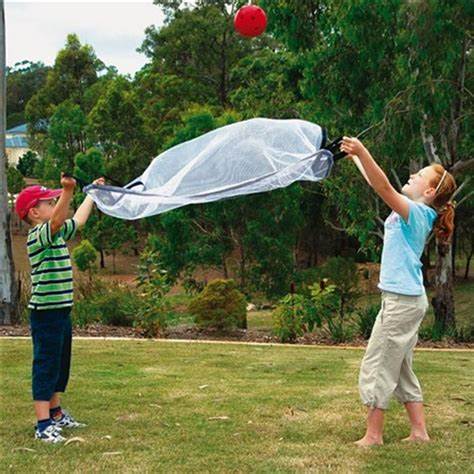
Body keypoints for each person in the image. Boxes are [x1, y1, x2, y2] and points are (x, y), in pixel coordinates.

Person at [340, 137, 456, 446]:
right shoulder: (416, 211)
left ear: (429, 192)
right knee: (401, 367)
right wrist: (355, 157)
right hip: (405, 300)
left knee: (379, 365)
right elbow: (378, 184)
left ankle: (373, 436)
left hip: (401, 302)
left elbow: (383, 189)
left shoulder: (417, 214)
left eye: (419, 176)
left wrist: (364, 151)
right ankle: (419, 432)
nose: (412, 176)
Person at [15, 174, 105, 443]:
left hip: (61, 311)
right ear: (34, 212)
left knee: (59, 366)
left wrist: (92, 195)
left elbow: (77, 221)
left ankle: (55, 414)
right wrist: (68, 191)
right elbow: (56, 221)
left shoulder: (54, 234)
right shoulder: (38, 235)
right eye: (50, 201)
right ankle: (43, 425)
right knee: (45, 366)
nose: (56, 204)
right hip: (45, 314)